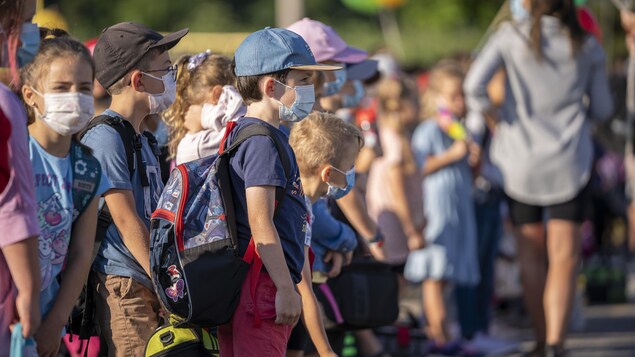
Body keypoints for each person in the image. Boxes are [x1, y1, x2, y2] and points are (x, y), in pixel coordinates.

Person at [464, 0, 613, 355]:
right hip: (569, 161)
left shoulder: (509, 36)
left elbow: (473, 87)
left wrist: (498, 120)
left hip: (519, 162)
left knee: (530, 256)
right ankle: (556, 343)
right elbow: (604, 108)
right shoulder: (587, 44)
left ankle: (540, 338)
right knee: (564, 258)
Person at [219, 27, 339, 356]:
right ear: (272, 86)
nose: (310, 89)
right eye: (302, 81)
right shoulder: (261, 143)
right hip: (263, 284)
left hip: (258, 279)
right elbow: (261, 223)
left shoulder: (254, 133)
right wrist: (286, 287)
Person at [80, 22, 188, 356]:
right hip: (125, 283)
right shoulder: (106, 137)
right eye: (165, 70)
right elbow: (126, 221)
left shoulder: (143, 137)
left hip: (148, 277)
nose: (171, 78)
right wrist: (161, 283)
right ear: (138, 80)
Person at [20, 31, 111, 356]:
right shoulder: (15, 152)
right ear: (31, 95)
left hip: (47, 313)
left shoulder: (87, 169)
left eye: (84, 88)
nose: (75, 97)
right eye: (61, 88)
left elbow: (80, 254)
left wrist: (56, 321)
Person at [407, 61, 480, 354]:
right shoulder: (427, 130)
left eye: (462, 96)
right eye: (453, 96)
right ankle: (438, 335)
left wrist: (475, 160)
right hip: (436, 210)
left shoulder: (457, 131)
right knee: (434, 275)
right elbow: (419, 167)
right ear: (436, 98)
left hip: (457, 209)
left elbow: (470, 175)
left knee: (446, 276)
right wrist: (451, 155)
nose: (460, 102)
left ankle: (446, 329)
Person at [287, 112, 364, 357]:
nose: (352, 172)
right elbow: (304, 287)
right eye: (349, 166)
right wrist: (326, 350)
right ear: (328, 174)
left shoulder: (302, 201)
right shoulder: (297, 207)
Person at [0, 0, 41, 353]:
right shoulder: (4, 106)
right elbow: (10, 208)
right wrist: (28, 289)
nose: (32, 32)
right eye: (27, 21)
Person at [366, 75, 424, 278]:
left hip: (394, 219)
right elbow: (396, 190)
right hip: (393, 220)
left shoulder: (391, 133)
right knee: (395, 278)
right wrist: (411, 230)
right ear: (404, 104)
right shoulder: (395, 142)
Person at [163, 50, 246, 165]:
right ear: (218, 94)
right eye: (235, 91)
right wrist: (205, 115)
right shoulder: (195, 145)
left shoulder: (198, 140)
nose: (243, 101)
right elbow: (246, 127)